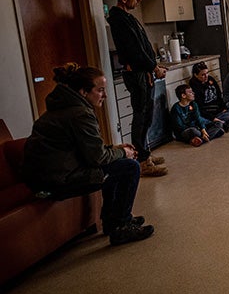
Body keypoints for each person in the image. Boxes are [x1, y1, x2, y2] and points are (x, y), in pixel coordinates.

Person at [22, 63, 154, 245]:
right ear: (84, 92)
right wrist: (122, 152)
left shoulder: (62, 109)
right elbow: (97, 157)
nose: (105, 95)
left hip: (48, 177)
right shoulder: (80, 114)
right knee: (129, 167)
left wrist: (114, 149)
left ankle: (112, 221)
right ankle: (121, 225)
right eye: (100, 90)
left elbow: (85, 149)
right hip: (57, 182)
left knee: (114, 166)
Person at [107, 0, 167, 177]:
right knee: (141, 117)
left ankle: (145, 153)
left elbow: (142, 46)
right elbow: (135, 50)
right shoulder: (118, 19)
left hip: (144, 72)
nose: (139, 0)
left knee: (147, 115)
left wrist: (154, 66)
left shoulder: (127, 17)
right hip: (137, 74)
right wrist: (153, 67)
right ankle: (142, 162)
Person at [189, 61, 229, 129]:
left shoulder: (210, 79)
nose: (206, 76)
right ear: (196, 75)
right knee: (198, 120)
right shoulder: (194, 86)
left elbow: (219, 96)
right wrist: (212, 118)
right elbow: (198, 108)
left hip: (218, 111)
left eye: (207, 73)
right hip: (206, 114)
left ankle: (218, 123)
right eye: (203, 75)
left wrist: (223, 108)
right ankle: (218, 123)